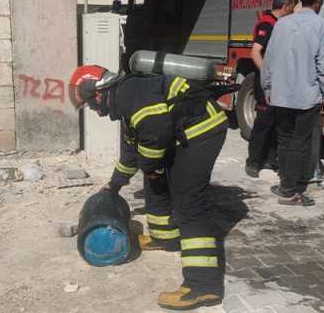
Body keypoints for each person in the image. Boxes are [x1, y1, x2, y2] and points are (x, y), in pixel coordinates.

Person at [69, 65, 229, 310]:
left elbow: (156, 132)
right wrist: (113, 185)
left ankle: (203, 286)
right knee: (154, 178)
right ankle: (165, 238)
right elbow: (133, 150)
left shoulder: (129, 95)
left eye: (90, 103)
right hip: (182, 131)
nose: (93, 109)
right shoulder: (124, 103)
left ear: (99, 94)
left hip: (202, 130)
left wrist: (150, 165)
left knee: (188, 201)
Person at [261, 0, 324, 206]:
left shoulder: (281, 23)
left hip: (281, 95)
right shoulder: (322, 26)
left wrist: (268, 88)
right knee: (300, 143)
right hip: (306, 96)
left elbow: (269, 59)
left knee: (285, 139)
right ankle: (289, 191)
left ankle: (285, 183)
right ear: (320, 0)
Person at [245, 0, 296, 178]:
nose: (292, 11)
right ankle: (253, 162)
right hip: (266, 81)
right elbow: (255, 53)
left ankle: (268, 158)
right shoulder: (268, 23)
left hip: (277, 81)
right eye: (291, 7)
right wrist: (267, 76)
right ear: (285, 6)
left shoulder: (279, 23)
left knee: (275, 120)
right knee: (264, 121)